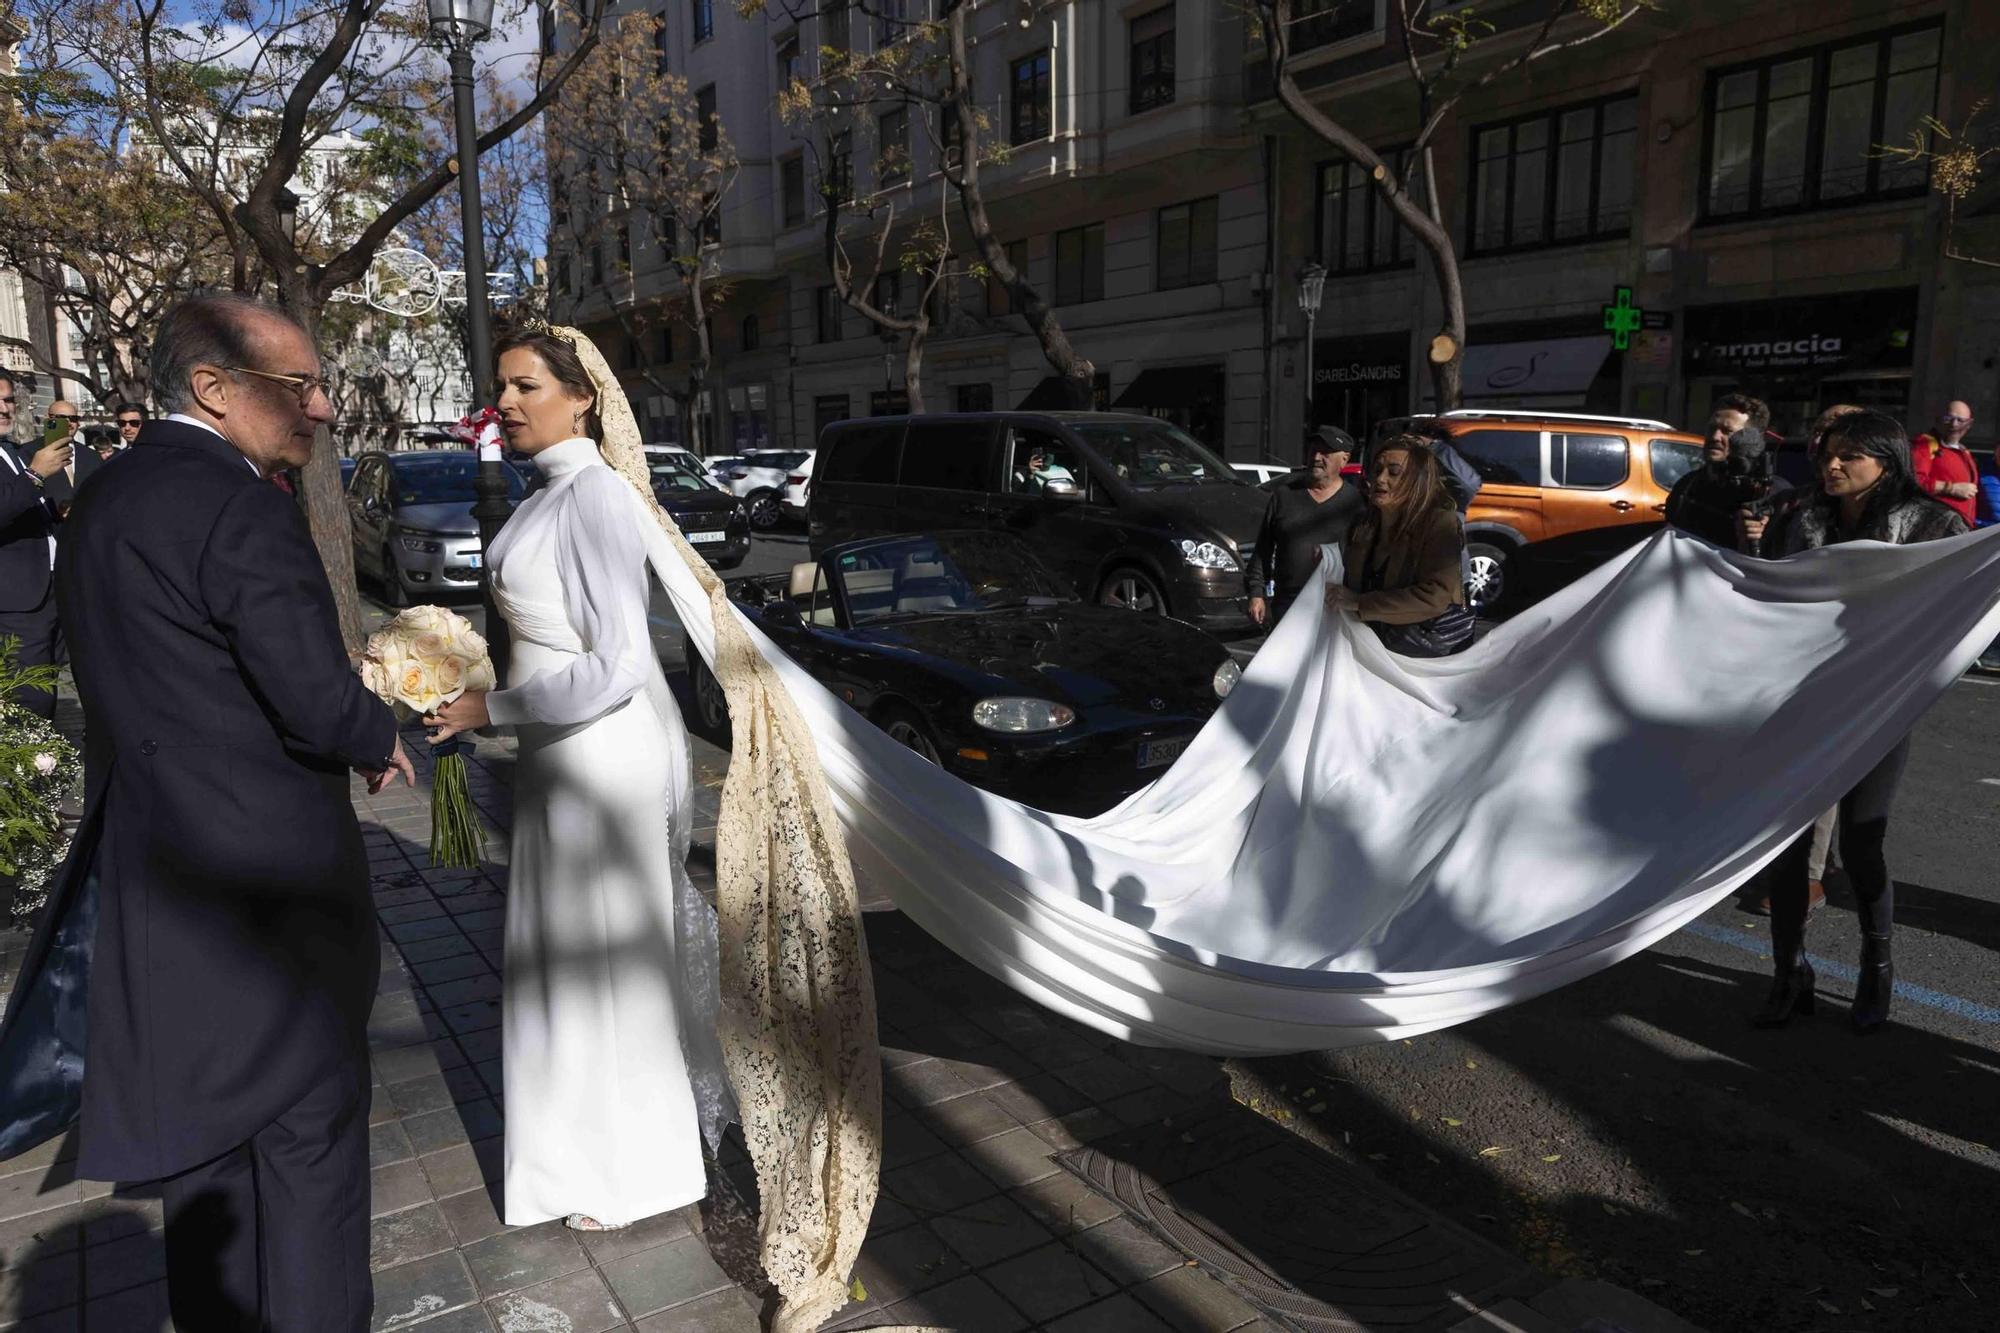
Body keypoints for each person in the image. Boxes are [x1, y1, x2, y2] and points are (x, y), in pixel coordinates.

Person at [0, 291, 413, 1331]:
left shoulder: (106, 492)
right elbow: (312, 700)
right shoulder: (239, 503)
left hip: (157, 875)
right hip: (270, 898)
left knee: (207, 1162)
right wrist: (380, 734)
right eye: (300, 385)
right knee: (309, 1157)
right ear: (214, 389)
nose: (321, 407)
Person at [422, 324, 730, 1232]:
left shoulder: (595, 495)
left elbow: (622, 663)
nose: (507, 403)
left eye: (525, 387)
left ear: (583, 396)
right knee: (567, 962)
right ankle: (581, 1161)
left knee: (602, 964)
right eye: (502, 387)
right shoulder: (547, 492)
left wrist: (493, 711)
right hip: (564, 752)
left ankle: (638, 1169)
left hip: (603, 757)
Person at [1739, 409, 1965, 1033]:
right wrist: (1750, 547)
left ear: (1885, 462)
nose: (1830, 465)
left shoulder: (1932, 523)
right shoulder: (1796, 516)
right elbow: (1772, 599)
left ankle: (1877, 966)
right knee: (1785, 844)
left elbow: (1951, 607)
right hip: (1802, 701)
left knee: (1863, 842)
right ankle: (1790, 971)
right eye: (1825, 454)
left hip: (1880, 706)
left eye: (1848, 456)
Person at [1748, 404, 1866, 918]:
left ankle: (1813, 874)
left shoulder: (1902, 513)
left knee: (1829, 769)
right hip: (1796, 652)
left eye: (1844, 444)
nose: (1826, 450)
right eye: (1820, 434)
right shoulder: (1794, 504)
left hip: (1859, 660)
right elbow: (1770, 570)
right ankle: (1804, 866)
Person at [1326, 433, 1472, 656]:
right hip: (1368, 648)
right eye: (1377, 470)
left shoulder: (1440, 523)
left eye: (1394, 472)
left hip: (1423, 659)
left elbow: (1433, 597)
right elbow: (1344, 574)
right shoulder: (1362, 523)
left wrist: (1361, 603)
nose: (1381, 479)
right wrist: (1326, 559)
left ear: (1417, 480)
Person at [0, 369, 74, 718]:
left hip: (49, 592)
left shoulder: (13, 451)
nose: (5, 408)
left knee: (49, 687)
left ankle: (47, 765)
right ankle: (30, 770)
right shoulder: (24, 462)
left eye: (9, 400)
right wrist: (35, 474)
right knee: (29, 699)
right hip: (15, 602)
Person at [1246, 426, 1367, 627]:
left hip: (1334, 605)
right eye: (1313, 450)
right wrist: (1256, 593)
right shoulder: (1284, 495)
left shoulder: (1356, 504)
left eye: (1326, 452)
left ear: (1344, 459)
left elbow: (1363, 558)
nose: (1317, 457)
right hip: (1288, 604)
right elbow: (1263, 549)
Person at [1665, 393, 1786, 547]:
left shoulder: (1776, 495)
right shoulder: (1686, 487)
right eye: (1712, 428)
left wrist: (1763, 535)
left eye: (1727, 431)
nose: (1715, 437)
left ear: (1754, 439)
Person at [1911, 399, 1978, 527]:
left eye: (1960, 420)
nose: (1954, 424)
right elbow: (1913, 481)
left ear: (1969, 424)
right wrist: (1951, 488)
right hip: (1935, 526)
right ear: (1938, 420)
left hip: (1960, 529)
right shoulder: (1925, 445)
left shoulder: (1964, 451)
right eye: (1948, 418)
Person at [38, 399, 108, 519]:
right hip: (46, 529)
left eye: (73, 419)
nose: (69, 423)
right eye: (62, 418)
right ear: (48, 419)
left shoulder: (92, 456)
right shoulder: (27, 452)